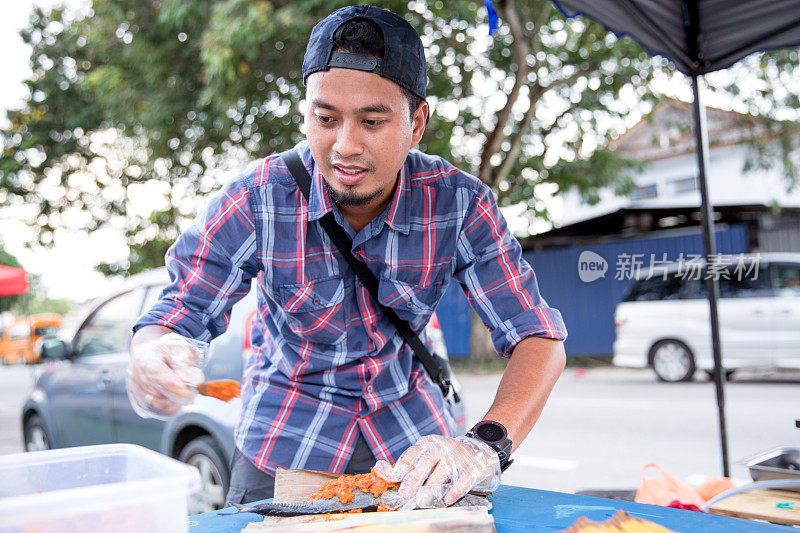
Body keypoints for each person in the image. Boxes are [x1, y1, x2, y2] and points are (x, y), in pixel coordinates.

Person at [128, 4, 567, 509]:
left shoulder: (459, 202)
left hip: (414, 442)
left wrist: (484, 445)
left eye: (373, 120)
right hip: (284, 438)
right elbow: (179, 311)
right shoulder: (256, 199)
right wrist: (152, 352)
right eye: (325, 118)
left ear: (417, 122)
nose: (345, 146)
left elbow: (538, 336)